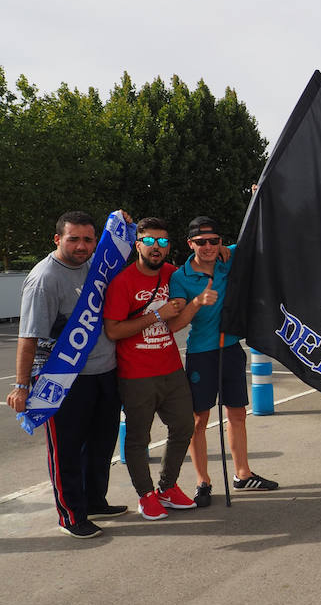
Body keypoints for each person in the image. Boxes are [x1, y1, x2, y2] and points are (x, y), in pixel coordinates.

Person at [6, 211, 127, 539]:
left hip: (105, 373)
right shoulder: (45, 277)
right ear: (57, 239)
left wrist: (123, 221)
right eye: (73, 238)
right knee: (68, 450)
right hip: (64, 379)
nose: (81, 245)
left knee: (102, 444)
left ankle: (94, 500)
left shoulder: (94, 266)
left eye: (88, 239)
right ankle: (70, 514)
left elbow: (130, 247)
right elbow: (28, 337)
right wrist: (21, 386)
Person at [168, 216, 278, 506]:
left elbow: (257, 230)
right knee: (199, 419)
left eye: (214, 241)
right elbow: (175, 325)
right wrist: (196, 302)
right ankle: (202, 481)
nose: (208, 247)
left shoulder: (227, 258)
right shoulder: (180, 277)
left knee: (238, 414)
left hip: (230, 349)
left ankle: (242, 474)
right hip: (201, 353)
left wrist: (259, 196)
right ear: (190, 244)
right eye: (201, 242)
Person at [103, 217, 196, 519]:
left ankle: (167, 488)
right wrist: (158, 316)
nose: (157, 248)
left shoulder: (172, 274)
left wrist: (223, 250)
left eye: (163, 242)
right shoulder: (123, 282)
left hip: (170, 368)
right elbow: (114, 331)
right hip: (136, 375)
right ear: (138, 243)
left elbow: (204, 264)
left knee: (184, 426)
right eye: (151, 241)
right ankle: (145, 495)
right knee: (138, 438)